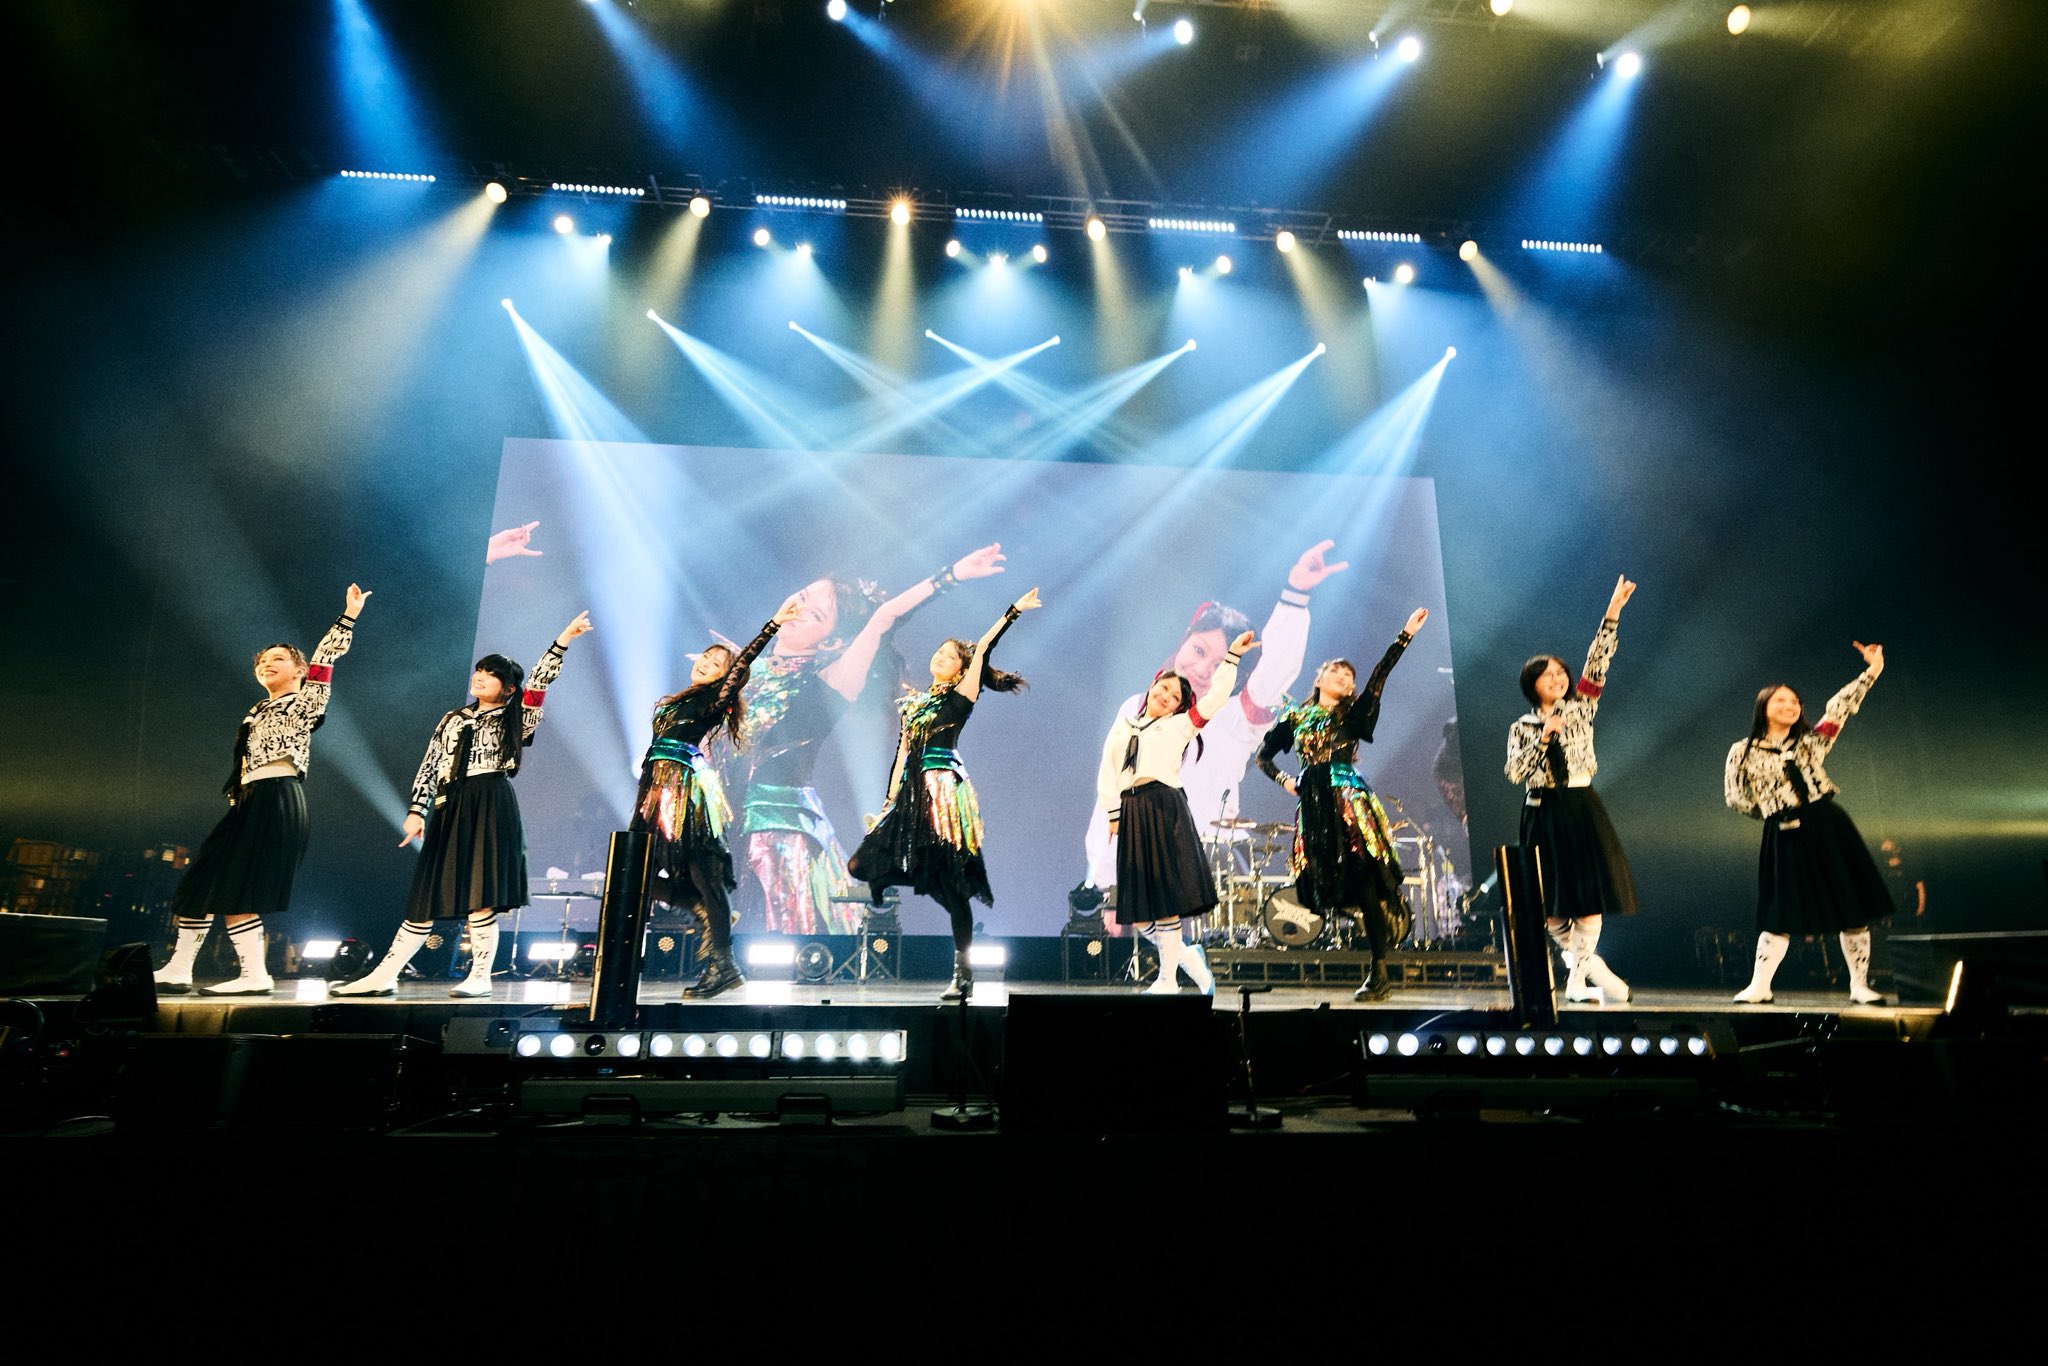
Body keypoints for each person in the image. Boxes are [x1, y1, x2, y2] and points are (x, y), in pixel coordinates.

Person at [739, 544, 1009, 936]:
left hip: (779, 831)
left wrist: (951, 576)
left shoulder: (835, 677)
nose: (798, 609)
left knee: (779, 931)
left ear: (832, 641)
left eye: (816, 615)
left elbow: (885, 617)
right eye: (802, 597)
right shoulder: (750, 668)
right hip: (732, 816)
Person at [334, 612, 593, 998]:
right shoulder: (452, 718)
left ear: (509, 688)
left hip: (489, 801)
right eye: (479, 670)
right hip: (450, 804)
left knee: (480, 893)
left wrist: (563, 640)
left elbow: (539, 681)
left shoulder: (515, 717)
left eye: (491, 674)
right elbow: (430, 763)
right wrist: (417, 810)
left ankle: (481, 975)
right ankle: (385, 974)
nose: (480, 677)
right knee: (424, 895)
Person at [1081, 541, 1350, 909]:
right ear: (1184, 640)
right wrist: (1107, 886)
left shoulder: (1235, 718)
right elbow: (1110, 796)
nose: (1202, 669)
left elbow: (1275, 672)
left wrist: (1295, 595)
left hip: (1210, 874)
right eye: (1199, 651)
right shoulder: (1135, 708)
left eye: (1221, 663)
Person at [154, 585, 370, 996]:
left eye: (278, 659)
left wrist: (348, 616)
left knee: (239, 888)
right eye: (262, 661)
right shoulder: (256, 710)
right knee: (201, 881)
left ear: (299, 671)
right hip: (248, 800)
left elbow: (325, 659)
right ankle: (179, 968)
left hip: (277, 797)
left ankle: (254, 974)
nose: (267, 664)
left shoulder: (306, 701)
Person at [848, 589, 1040, 1002]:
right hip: (910, 795)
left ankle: (963, 973)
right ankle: (927, 876)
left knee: (955, 893)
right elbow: (902, 754)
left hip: (943, 792)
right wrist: (888, 804)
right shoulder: (913, 704)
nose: (940, 656)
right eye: (938, 651)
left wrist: (1012, 612)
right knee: (860, 865)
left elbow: (983, 647)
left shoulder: (961, 697)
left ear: (961, 670)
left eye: (950, 655)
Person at [1258, 609, 1429, 1001]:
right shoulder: (1295, 717)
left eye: (1349, 675)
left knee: (1365, 877)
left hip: (1348, 800)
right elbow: (1263, 757)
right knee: (1328, 882)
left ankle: (1378, 971)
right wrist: (1286, 781)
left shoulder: (1353, 715)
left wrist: (1404, 635)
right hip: (1314, 805)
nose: (1343, 676)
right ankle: (1372, 923)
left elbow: (1380, 676)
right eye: (1335, 671)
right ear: (1318, 679)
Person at [632, 603, 799, 1000]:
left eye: (717, 663)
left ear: (727, 678)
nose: (706, 663)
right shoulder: (676, 701)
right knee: (634, 871)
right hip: (655, 792)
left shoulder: (713, 700)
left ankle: (723, 965)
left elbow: (742, 666)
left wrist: (773, 624)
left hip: (686, 795)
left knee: (706, 876)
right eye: (705, 657)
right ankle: (700, 909)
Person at [1723, 641, 1890, 1005]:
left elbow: (1840, 708)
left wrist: (1872, 671)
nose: (1790, 705)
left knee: (1851, 904)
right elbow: (1735, 796)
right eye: (1780, 700)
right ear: (1764, 707)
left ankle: (1859, 985)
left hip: (1826, 824)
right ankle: (1760, 985)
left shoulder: (1811, 742)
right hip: (1783, 832)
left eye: (1795, 701)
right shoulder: (1743, 750)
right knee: (1779, 910)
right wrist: (1774, 812)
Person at [1099, 630, 1259, 995]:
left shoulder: (1179, 725)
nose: (1167, 697)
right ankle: (1187, 958)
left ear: (1177, 707)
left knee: (1165, 902)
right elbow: (1109, 769)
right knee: (1139, 912)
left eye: (1175, 697)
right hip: (1132, 810)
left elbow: (1216, 697)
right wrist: (1113, 812)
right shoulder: (1125, 724)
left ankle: (1168, 979)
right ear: (1153, 685)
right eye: (1165, 689)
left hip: (1163, 807)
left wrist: (1232, 657)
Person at [1504, 577, 1639, 1005]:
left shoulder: (1582, 706)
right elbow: (1516, 772)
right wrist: (1544, 738)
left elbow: (1598, 662)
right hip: (1542, 810)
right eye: (1548, 676)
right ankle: (1590, 965)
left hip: (1581, 805)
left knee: (1588, 898)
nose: (1558, 679)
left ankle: (1577, 979)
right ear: (1532, 684)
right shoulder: (1521, 727)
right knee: (1551, 907)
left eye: (1561, 673)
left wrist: (1612, 612)